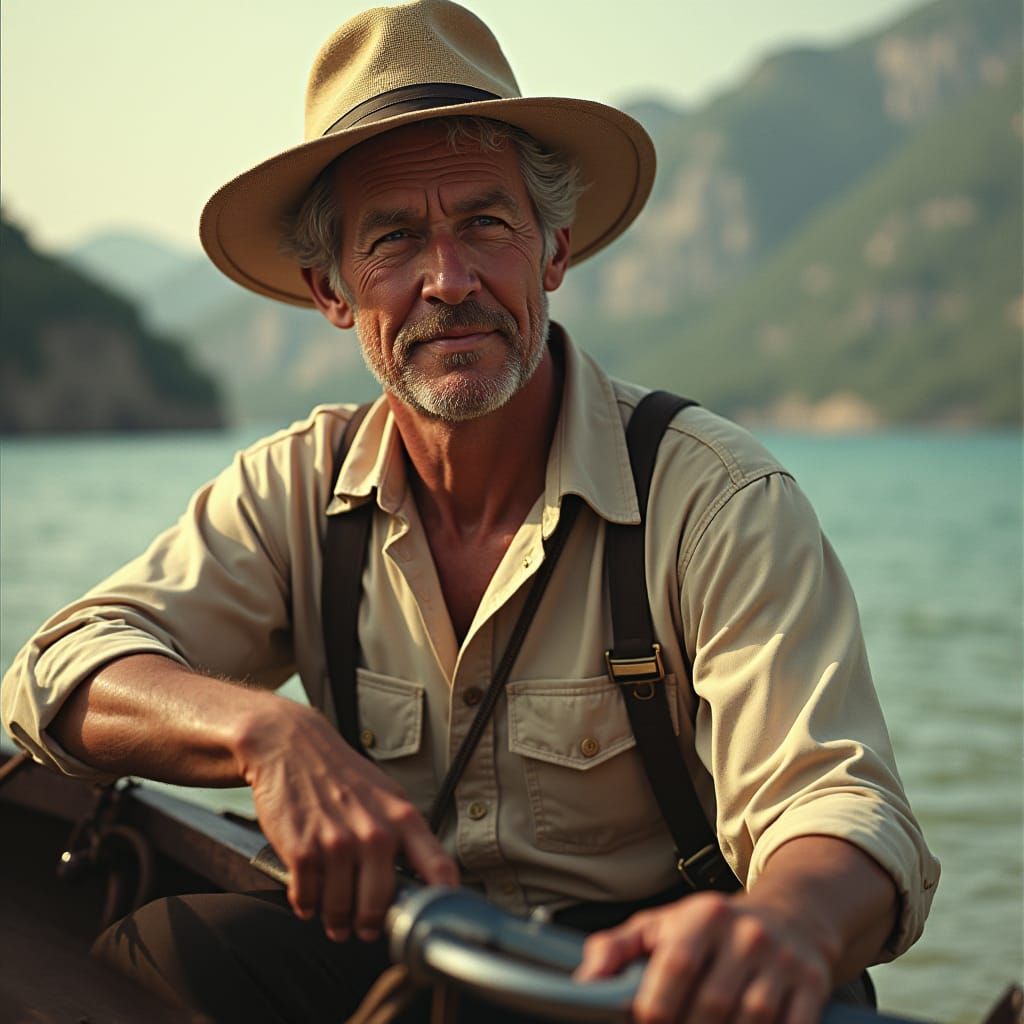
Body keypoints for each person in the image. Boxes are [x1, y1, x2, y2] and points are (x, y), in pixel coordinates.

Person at [1, 2, 939, 1022]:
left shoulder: (713, 497)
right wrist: (265, 733)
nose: (448, 281)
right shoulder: (299, 488)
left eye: (485, 224)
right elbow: (59, 669)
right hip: (422, 966)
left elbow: (839, 804)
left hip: (649, 986)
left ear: (552, 252)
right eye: (395, 239)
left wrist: (787, 922)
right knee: (164, 946)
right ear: (332, 289)